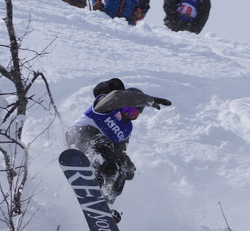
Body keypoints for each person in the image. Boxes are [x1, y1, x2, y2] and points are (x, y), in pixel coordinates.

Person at [65, 78, 171, 221]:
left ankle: (105, 202)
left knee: (119, 167)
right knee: (103, 143)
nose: (128, 115)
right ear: (122, 105)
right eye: (128, 109)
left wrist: (126, 167)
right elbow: (116, 97)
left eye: (134, 114)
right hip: (80, 137)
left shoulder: (127, 128)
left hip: (102, 150)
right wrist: (146, 99)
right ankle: (94, 174)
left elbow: (118, 152)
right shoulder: (106, 106)